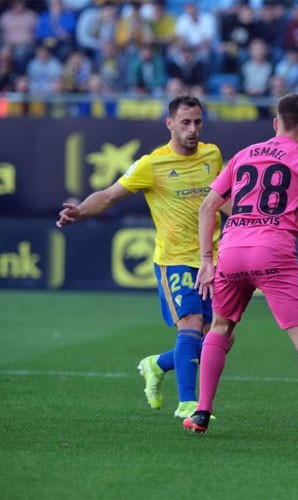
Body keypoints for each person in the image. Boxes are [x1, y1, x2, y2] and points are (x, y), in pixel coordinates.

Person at [182, 93, 298, 445]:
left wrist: (206, 260)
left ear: (276, 123)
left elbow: (208, 206)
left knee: (220, 327)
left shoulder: (244, 154)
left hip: (230, 250)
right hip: (273, 252)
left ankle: (201, 411)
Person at [56, 95, 225, 419]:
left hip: (212, 259)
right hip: (175, 258)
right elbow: (108, 195)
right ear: (170, 124)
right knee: (190, 325)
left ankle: (156, 365)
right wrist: (79, 212)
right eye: (185, 122)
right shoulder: (152, 164)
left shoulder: (212, 155)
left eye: (198, 122)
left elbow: (221, 198)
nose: (193, 130)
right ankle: (189, 405)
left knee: (217, 339)